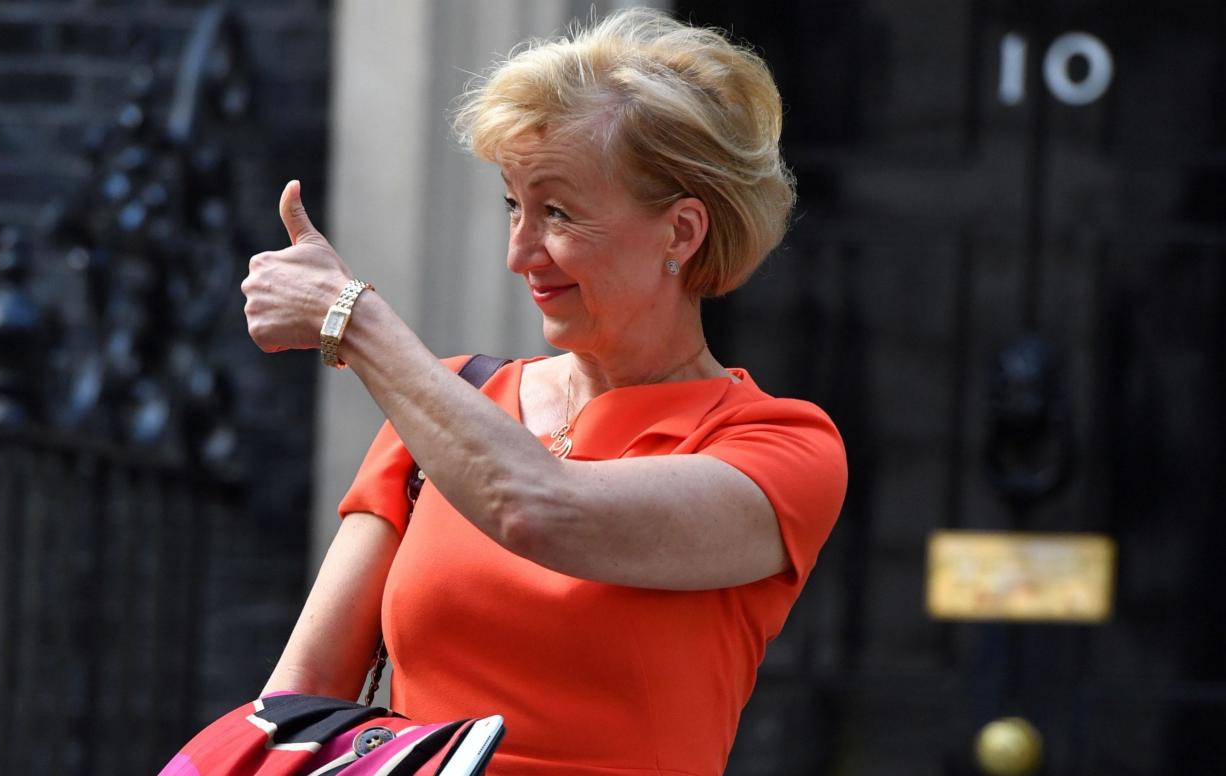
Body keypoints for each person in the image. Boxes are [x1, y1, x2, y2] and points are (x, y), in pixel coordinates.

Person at [240, 8, 847, 775]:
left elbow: (539, 509)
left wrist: (353, 320)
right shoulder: (455, 399)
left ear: (681, 232)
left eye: (557, 211)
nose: (519, 253)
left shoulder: (781, 446)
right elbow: (299, 701)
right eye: (512, 206)